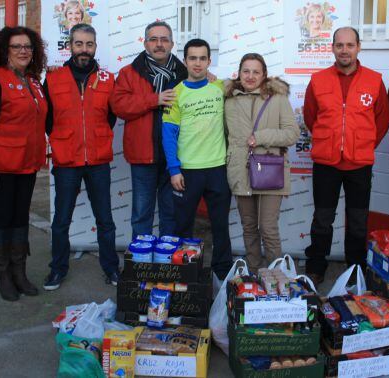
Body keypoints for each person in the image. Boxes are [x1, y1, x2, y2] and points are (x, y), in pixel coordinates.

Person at [303, 27, 389, 284]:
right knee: (322, 218)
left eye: (349, 45)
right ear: (332, 48)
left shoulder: (374, 80)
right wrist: (330, 139)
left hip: (359, 163)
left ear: (358, 47)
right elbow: (311, 117)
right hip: (326, 162)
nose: (344, 50)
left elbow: (382, 120)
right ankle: (316, 265)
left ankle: (355, 268)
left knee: (357, 220)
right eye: (339, 45)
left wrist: (361, 143)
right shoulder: (318, 79)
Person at [0, 26, 48, 301]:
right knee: (2, 220)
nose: (23, 51)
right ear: (5, 50)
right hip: (1, 168)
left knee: (20, 219)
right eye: (17, 46)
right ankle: (4, 275)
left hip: (27, 166)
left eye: (27, 46)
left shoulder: (34, 81)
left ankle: (20, 273)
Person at [42, 24, 119, 291]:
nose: (83, 49)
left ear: (95, 47)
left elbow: (110, 117)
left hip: (98, 161)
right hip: (66, 162)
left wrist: (94, 138)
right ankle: (58, 269)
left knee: (105, 220)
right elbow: (47, 118)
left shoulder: (108, 79)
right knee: (61, 221)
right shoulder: (52, 79)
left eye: (89, 44)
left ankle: (111, 268)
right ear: (70, 46)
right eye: (79, 44)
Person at [162, 39, 232, 283]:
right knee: (183, 227)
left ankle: (222, 275)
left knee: (221, 226)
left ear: (209, 61)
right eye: (193, 58)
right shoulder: (175, 93)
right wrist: (174, 169)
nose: (198, 63)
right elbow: (168, 134)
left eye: (203, 58)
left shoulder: (221, 88)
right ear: (185, 61)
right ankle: (185, 275)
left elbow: (249, 85)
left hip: (217, 169)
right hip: (187, 171)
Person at [110, 21, 187, 238]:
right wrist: (155, 99)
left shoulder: (185, 72)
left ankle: (167, 264)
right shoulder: (128, 72)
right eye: (154, 39)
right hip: (143, 157)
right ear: (145, 44)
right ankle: (141, 265)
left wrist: (207, 77)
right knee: (142, 215)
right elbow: (119, 106)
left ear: (172, 44)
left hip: (176, 157)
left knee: (171, 214)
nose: (159, 44)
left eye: (164, 39)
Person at [224, 53, 299, 272]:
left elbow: (292, 133)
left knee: (268, 227)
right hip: (240, 169)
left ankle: (276, 276)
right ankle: (255, 274)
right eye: (246, 71)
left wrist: (262, 136)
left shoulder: (277, 97)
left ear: (264, 74)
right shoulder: (229, 99)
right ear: (238, 73)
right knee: (248, 227)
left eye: (256, 72)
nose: (250, 76)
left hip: (269, 169)